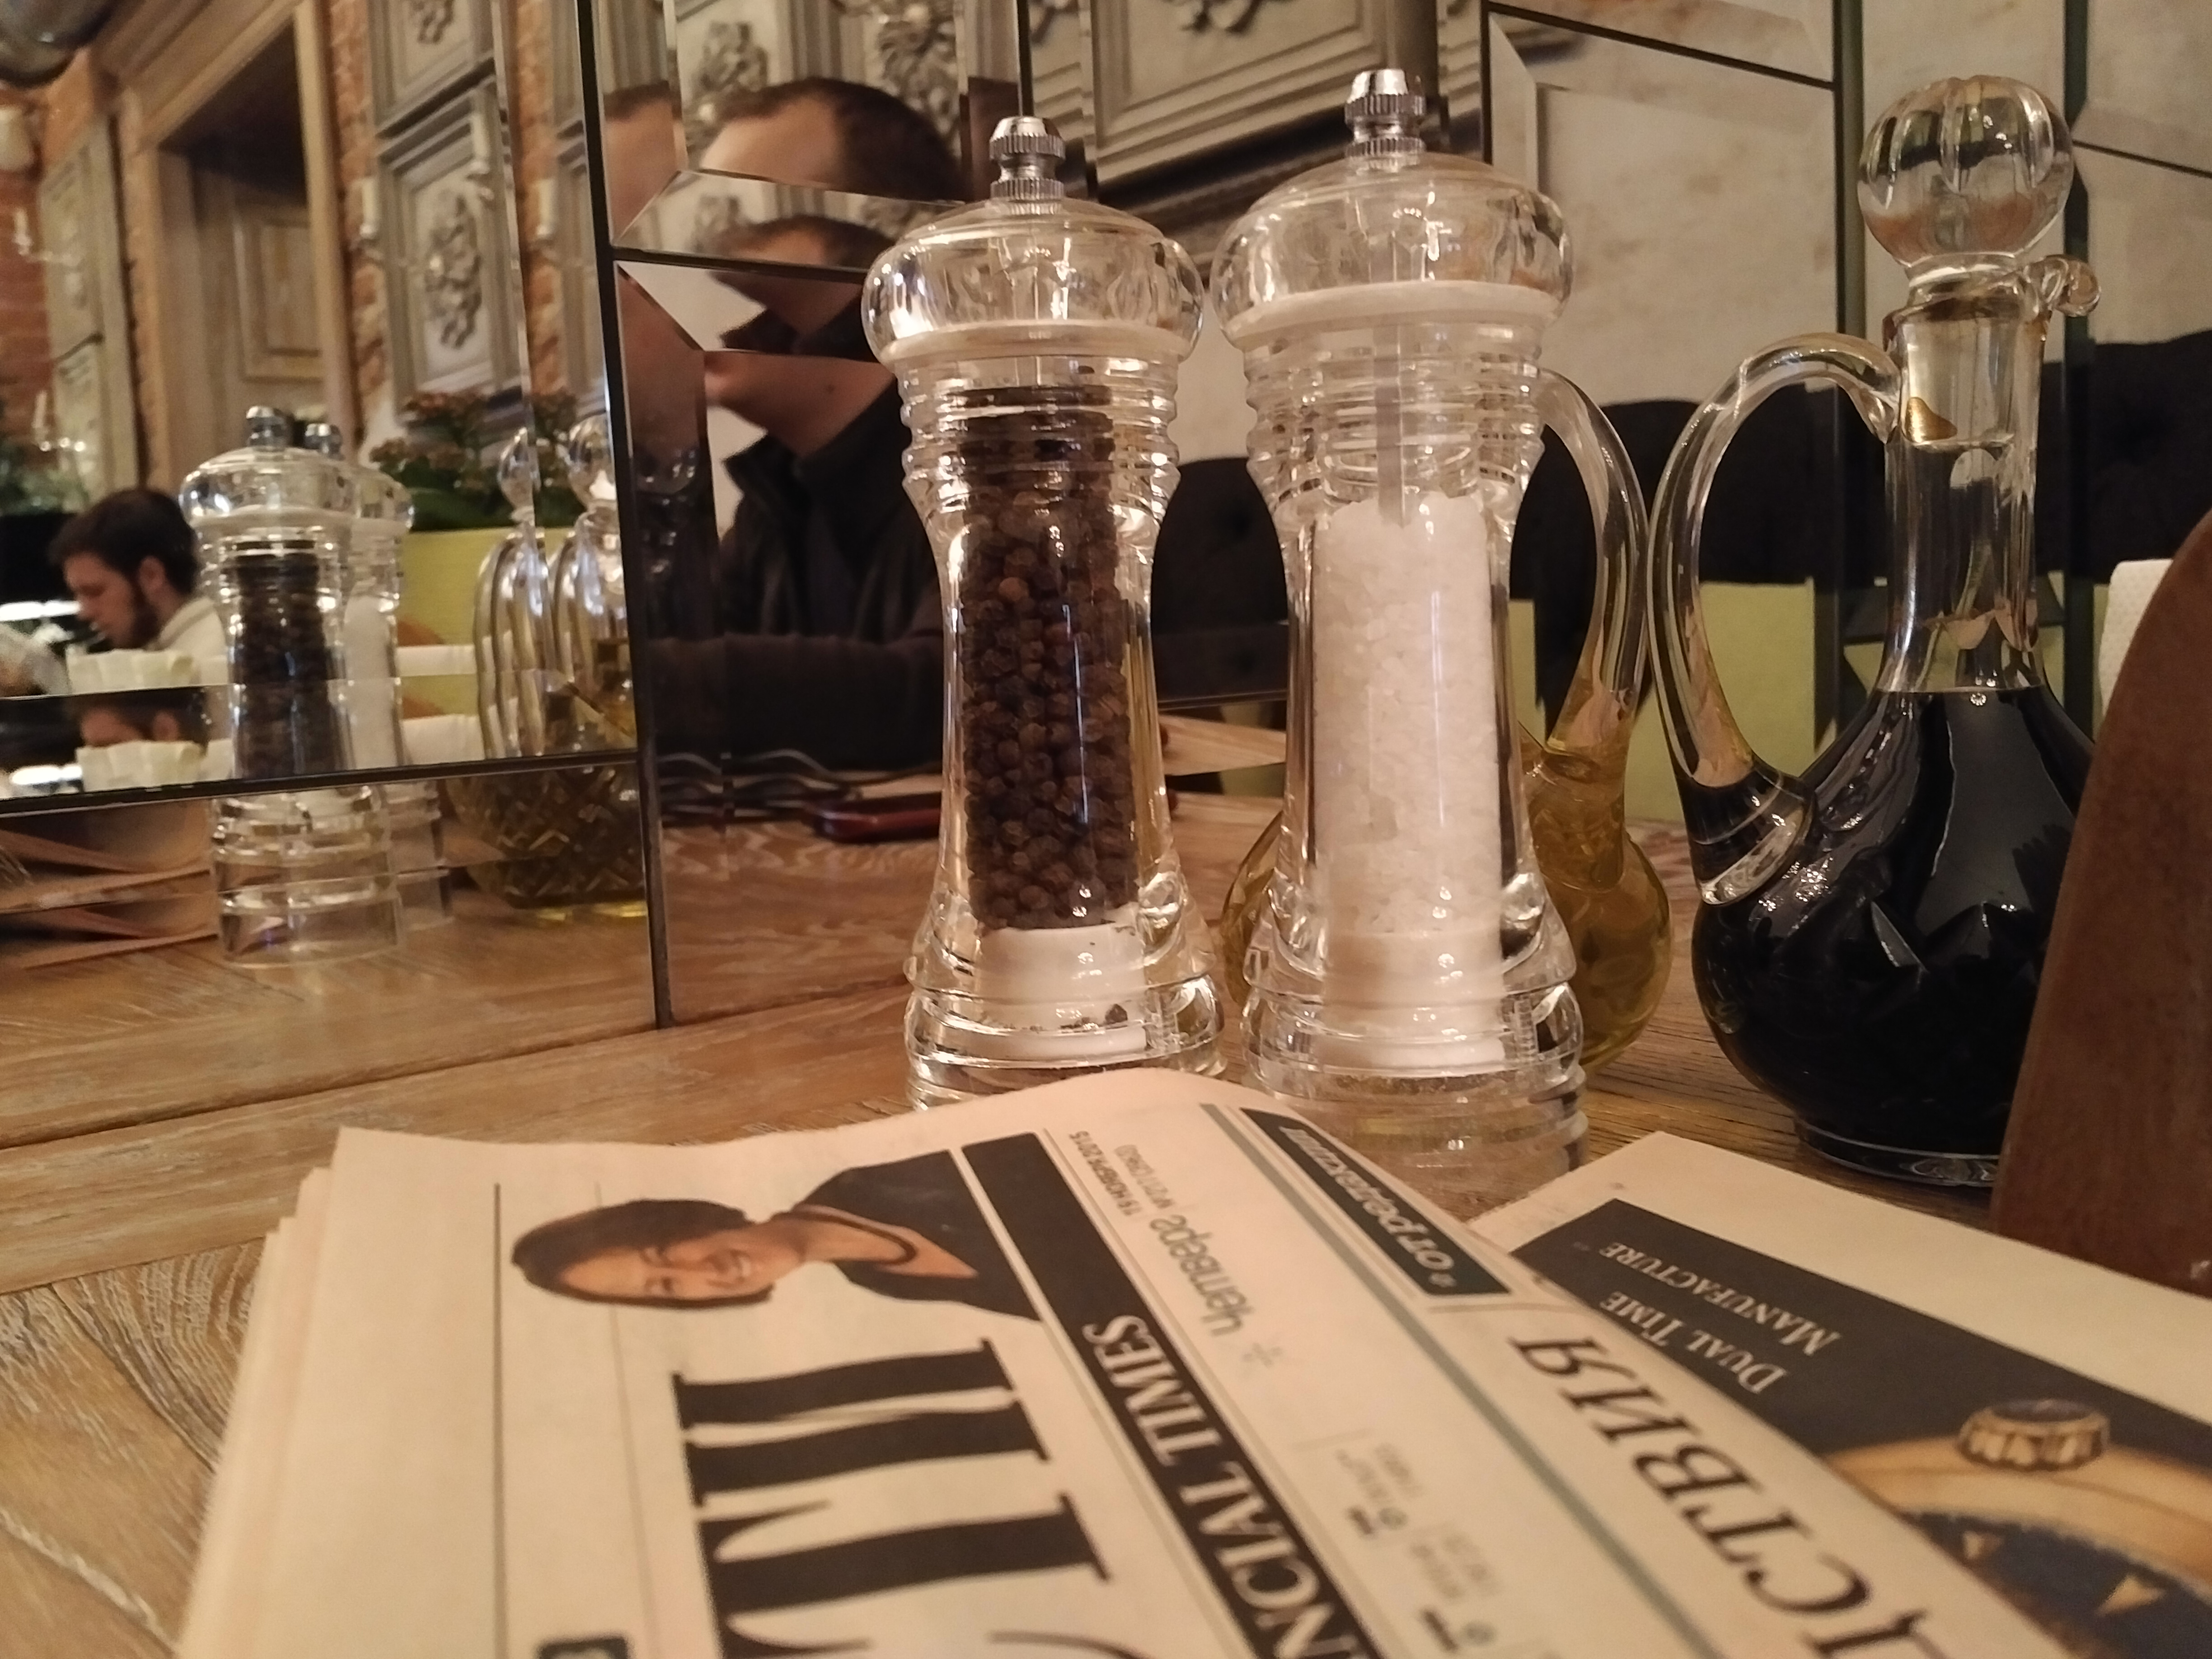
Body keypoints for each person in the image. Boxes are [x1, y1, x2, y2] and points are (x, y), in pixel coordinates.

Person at [644, 80, 966, 770]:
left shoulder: (995, 470)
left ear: (896, 261)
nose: (705, 266)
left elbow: (946, 694)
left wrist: (633, 682)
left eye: (753, 221)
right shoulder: (775, 502)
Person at [510, 1150, 1037, 1319]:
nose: (699, 1272)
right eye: (666, 1285)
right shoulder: (884, 1283)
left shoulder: (877, 1175)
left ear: (681, 1220)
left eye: (662, 1251)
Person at [49, 489, 223, 660]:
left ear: (152, 575)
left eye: (95, 592)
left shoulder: (210, 656)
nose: (84, 613)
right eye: (77, 595)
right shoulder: (171, 646)